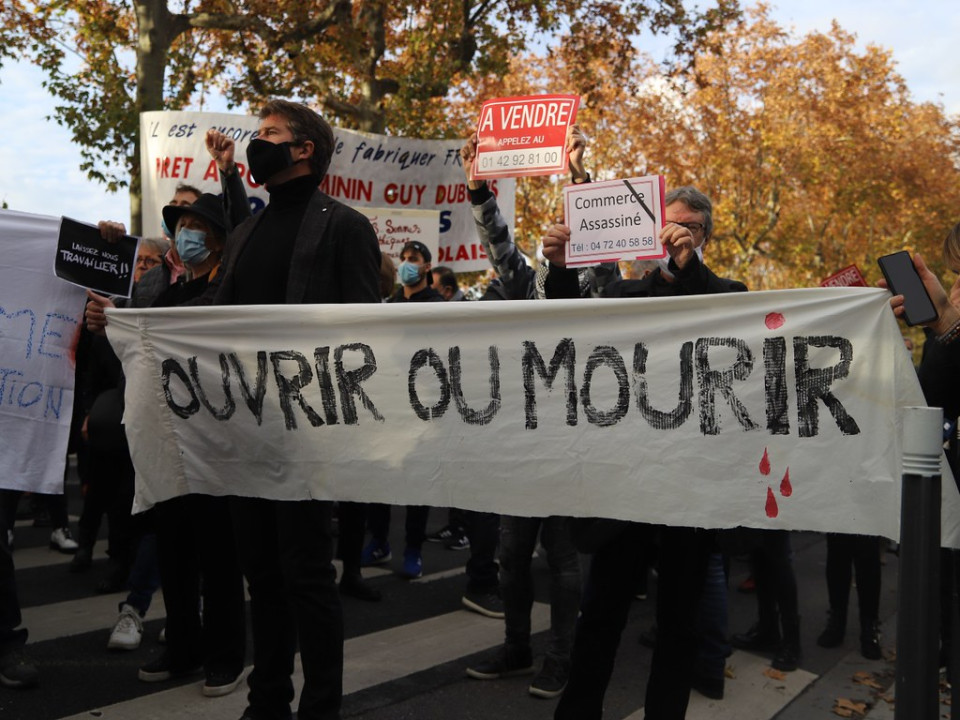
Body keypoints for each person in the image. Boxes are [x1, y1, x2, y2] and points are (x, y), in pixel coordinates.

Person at [164, 99, 377, 720]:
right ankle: (267, 700)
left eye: (269, 134)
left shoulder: (344, 226)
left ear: (304, 147)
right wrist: (129, 322)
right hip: (248, 429)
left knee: (307, 576)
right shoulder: (251, 231)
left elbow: (365, 337)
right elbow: (217, 316)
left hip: (308, 434)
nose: (258, 143)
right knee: (261, 572)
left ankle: (320, 707)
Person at [542, 185, 747, 720]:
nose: (675, 234)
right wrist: (561, 269)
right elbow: (566, 330)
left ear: (705, 237)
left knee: (679, 625)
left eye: (689, 228)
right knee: (601, 617)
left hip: (689, 491)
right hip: (625, 489)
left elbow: (719, 320)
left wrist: (686, 270)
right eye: (668, 225)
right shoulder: (625, 296)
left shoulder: (730, 292)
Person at [459, 131, 585, 697]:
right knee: (512, 553)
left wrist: (581, 179)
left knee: (561, 560)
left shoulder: (599, 286)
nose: (555, 238)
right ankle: (516, 647)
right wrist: (480, 192)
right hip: (522, 443)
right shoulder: (525, 284)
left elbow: (603, 241)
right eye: (552, 235)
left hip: (571, 445)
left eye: (569, 230)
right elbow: (499, 247)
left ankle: (561, 658)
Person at [364, 241, 444, 579]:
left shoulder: (439, 307)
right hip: (390, 404)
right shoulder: (390, 304)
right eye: (404, 259)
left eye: (414, 260)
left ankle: (413, 549)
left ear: (427, 267)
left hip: (423, 405)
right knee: (382, 476)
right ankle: (380, 541)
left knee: (416, 481)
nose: (408, 264)